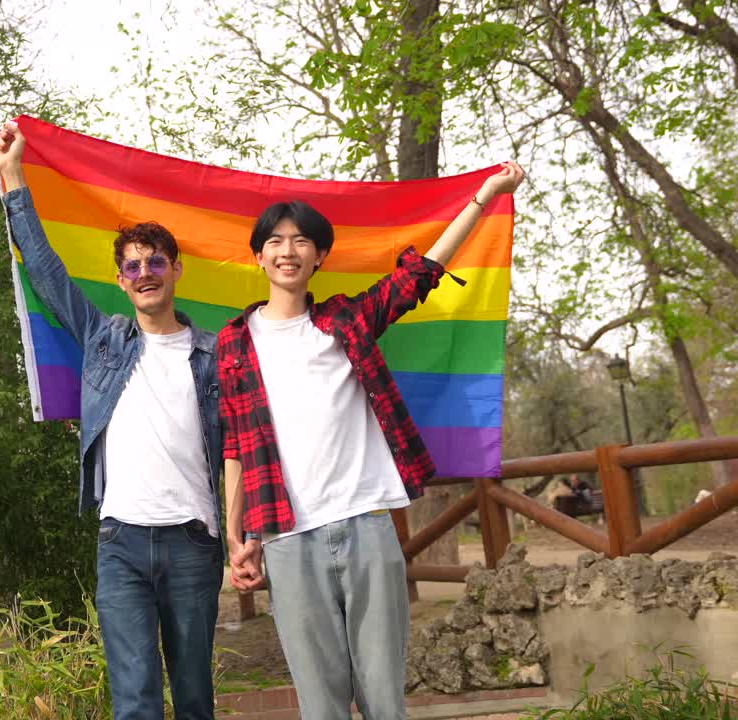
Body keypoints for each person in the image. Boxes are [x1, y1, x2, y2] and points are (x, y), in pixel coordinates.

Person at [219, 163, 525, 719]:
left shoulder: (347, 322)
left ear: (319, 258)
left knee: (385, 698)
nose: (288, 251)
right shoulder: (235, 342)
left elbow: (425, 272)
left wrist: (485, 195)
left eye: (302, 241)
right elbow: (236, 446)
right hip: (288, 538)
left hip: (366, 526)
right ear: (259, 256)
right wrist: (236, 538)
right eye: (276, 241)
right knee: (322, 703)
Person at [0, 120, 224, 720]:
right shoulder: (104, 340)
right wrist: (13, 174)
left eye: (155, 262)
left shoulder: (216, 355)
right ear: (121, 282)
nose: (144, 272)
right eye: (133, 266)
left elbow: (245, 442)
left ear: (175, 270)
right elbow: (45, 270)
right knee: (135, 700)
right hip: (120, 541)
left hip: (194, 542)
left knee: (196, 700)